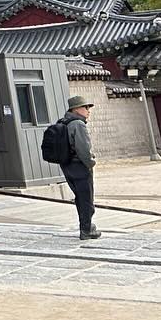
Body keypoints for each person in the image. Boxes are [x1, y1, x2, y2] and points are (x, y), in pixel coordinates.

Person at [61, 94, 100, 240]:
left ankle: (87, 225)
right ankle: (86, 229)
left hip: (67, 166)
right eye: (86, 107)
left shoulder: (63, 122)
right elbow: (83, 149)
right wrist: (91, 163)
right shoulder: (78, 124)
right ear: (76, 109)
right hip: (80, 166)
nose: (88, 110)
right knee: (86, 198)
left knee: (80, 197)